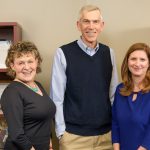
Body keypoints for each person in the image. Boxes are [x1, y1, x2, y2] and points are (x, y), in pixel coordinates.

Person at [50, 5, 118, 150]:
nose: (91, 26)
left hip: (106, 137)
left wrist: (115, 130)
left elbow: (113, 96)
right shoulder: (63, 53)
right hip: (74, 138)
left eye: (95, 21)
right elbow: (57, 98)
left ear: (102, 25)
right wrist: (61, 134)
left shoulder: (109, 53)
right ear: (78, 25)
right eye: (86, 21)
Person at [0, 41, 56, 150]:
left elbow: (45, 120)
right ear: (12, 66)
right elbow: (17, 134)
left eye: (30, 61)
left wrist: (49, 144)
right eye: (21, 63)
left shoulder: (38, 85)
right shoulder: (12, 92)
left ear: (37, 62)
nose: (27, 67)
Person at [112, 43, 150, 150]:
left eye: (142, 59)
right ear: (127, 62)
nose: (137, 63)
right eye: (133, 59)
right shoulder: (120, 90)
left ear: (149, 63)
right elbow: (115, 123)